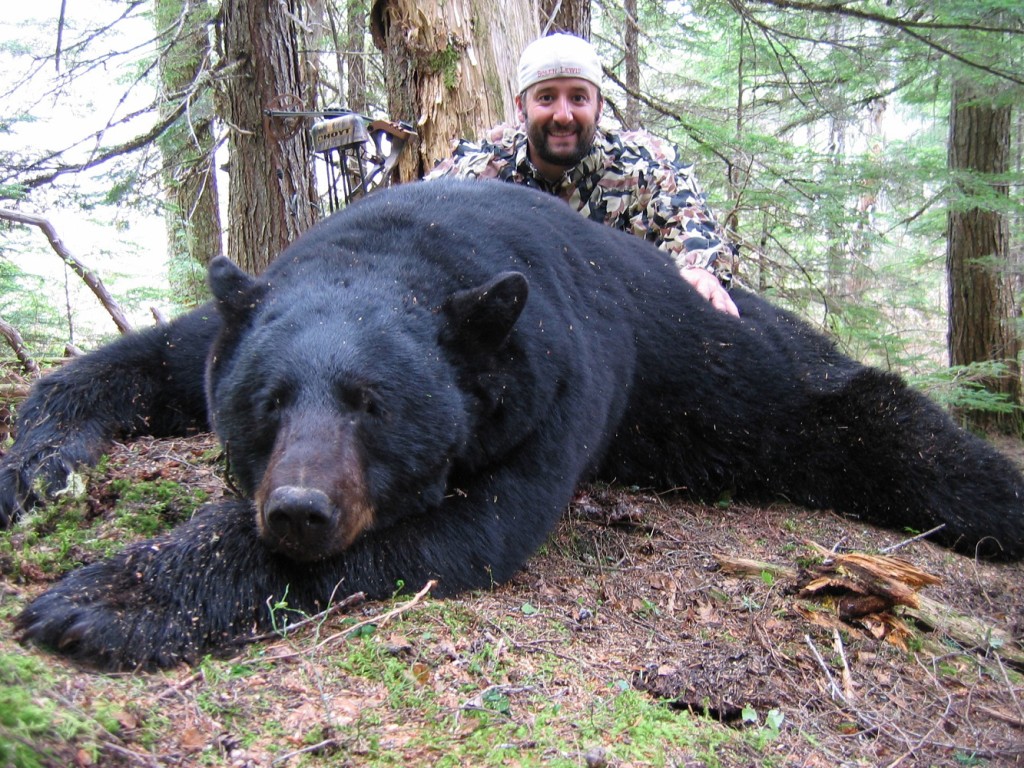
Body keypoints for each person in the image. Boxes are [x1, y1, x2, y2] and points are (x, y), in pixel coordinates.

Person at [426, 32, 739, 316]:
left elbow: (690, 218)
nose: (563, 115)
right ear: (522, 107)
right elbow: (410, 221)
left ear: (599, 107)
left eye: (578, 98)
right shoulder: (476, 170)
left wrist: (700, 270)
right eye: (546, 98)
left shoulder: (642, 165)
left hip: (620, 334)